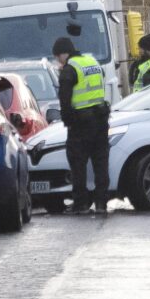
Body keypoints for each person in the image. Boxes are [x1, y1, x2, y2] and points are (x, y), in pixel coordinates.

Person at [52, 37, 110, 215]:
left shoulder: (70, 69)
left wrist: (68, 122)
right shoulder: (92, 61)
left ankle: (81, 204)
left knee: (78, 164)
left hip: (81, 123)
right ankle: (101, 203)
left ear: (63, 53)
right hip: (101, 119)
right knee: (100, 163)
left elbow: (65, 100)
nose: (57, 61)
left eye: (57, 57)